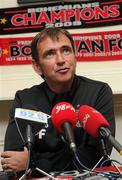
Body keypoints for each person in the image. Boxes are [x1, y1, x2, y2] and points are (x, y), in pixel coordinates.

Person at [1, 27, 115, 178]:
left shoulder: (98, 92)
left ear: (75, 56)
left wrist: (35, 162)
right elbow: (13, 160)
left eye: (66, 50)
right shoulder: (24, 99)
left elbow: (97, 156)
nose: (61, 60)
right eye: (50, 54)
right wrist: (67, 157)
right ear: (37, 66)